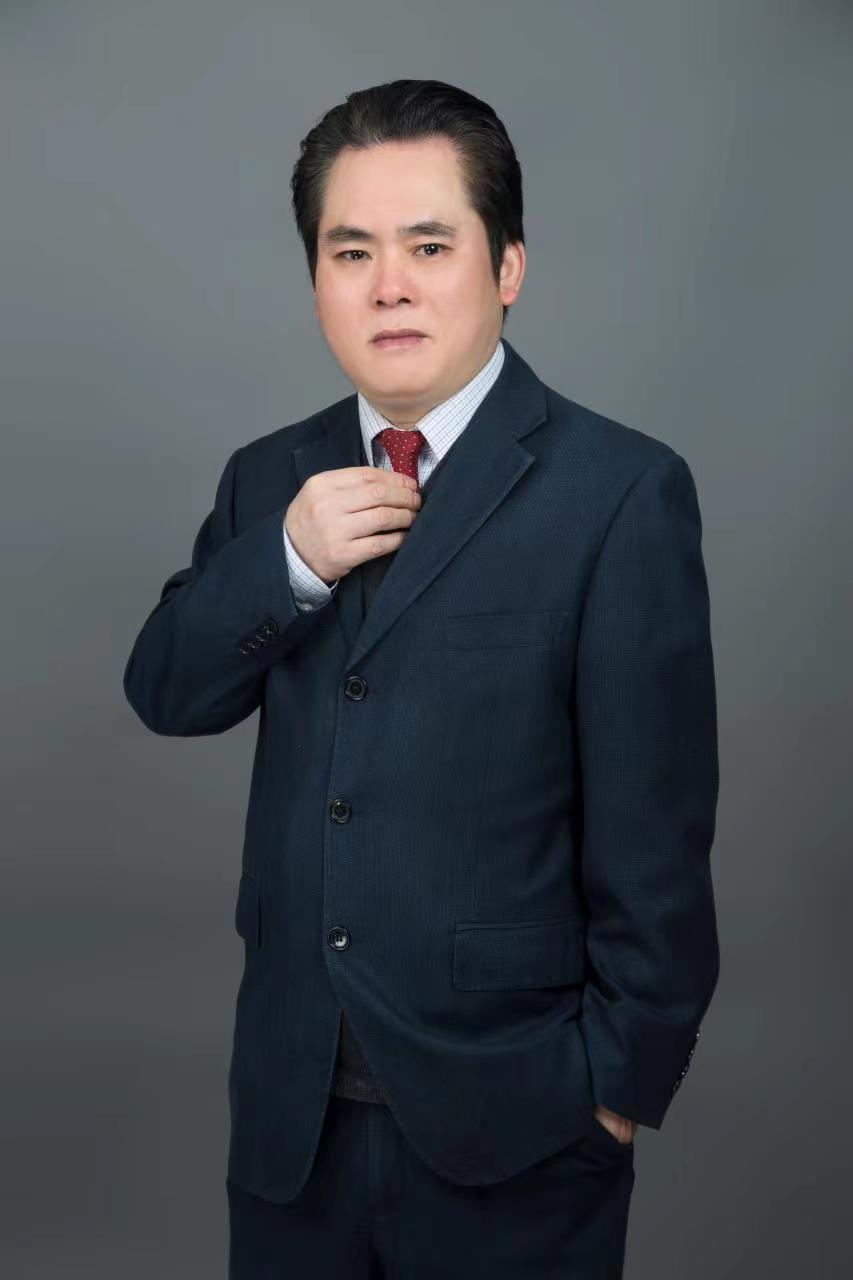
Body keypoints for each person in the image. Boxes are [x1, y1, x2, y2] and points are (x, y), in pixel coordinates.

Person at [123, 78, 720, 1279]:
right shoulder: (269, 477)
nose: (386, 284)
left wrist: (615, 1090)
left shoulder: (618, 490)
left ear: (508, 266)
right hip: (293, 1120)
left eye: (428, 245)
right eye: (351, 251)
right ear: (316, 282)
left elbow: (656, 832)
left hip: (520, 1122)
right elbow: (167, 690)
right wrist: (288, 559)